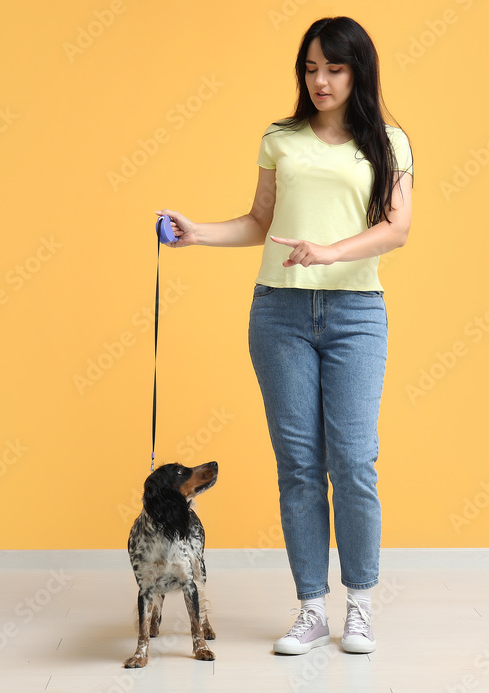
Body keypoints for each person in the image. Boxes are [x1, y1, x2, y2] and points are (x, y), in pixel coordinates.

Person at [155, 16, 413, 656]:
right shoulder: (281, 138)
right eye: (310, 68)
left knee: (353, 464)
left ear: (358, 71)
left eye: (334, 68)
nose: (320, 81)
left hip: (356, 313)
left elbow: (397, 228)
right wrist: (198, 234)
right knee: (299, 467)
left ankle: (359, 606)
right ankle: (308, 609)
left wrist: (327, 254)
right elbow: (258, 222)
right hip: (280, 316)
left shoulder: (388, 141)